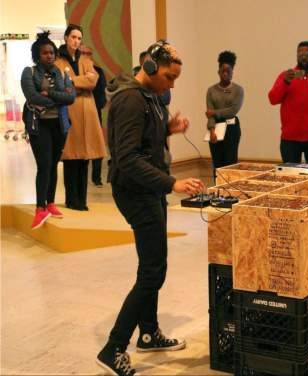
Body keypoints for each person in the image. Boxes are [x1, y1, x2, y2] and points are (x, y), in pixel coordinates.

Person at [97, 40, 204, 376]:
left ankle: (148, 332)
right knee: (153, 271)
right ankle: (114, 347)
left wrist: (168, 129)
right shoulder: (130, 100)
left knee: (152, 265)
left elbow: (145, 141)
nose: (172, 84)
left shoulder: (150, 97)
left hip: (149, 189)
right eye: (170, 77)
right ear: (152, 68)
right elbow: (127, 158)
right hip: (135, 192)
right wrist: (171, 183)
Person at [20, 31, 75, 229]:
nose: (50, 56)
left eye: (52, 52)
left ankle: (50, 203)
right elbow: (32, 97)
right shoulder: (29, 72)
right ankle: (40, 208)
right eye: (45, 53)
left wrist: (50, 94)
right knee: (44, 165)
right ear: (37, 55)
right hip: (39, 125)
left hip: (60, 125)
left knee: (53, 165)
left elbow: (71, 98)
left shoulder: (60, 72)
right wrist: (58, 98)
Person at [55, 24, 107, 211]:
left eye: (79, 38)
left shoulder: (86, 59)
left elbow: (93, 81)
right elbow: (61, 84)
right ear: (66, 37)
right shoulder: (58, 61)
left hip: (88, 113)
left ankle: (82, 201)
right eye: (73, 37)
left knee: (85, 158)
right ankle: (72, 200)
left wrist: (73, 82)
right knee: (71, 159)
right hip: (70, 112)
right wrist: (81, 81)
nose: (76, 41)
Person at [206, 50, 244, 177]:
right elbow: (209, 114)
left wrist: (214, 112)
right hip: (215, 129)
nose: (226, 74)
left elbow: (233, 110)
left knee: (230, 165)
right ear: (219, 72)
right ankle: (218, 194)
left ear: (233, 72)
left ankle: (230, 195)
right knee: (217, 165)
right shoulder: (211, 91)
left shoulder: (238, 90)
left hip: (232, 128)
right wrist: (211, 131)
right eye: (223, 71)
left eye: (229, 71)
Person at [87, 47, 108, 188]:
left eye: (88, 54)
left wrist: (94, 106)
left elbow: (103, 94)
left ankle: (96, 177)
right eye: (82, 53)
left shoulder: (98, 71)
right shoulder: (71, 70)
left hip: (94, 113)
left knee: (96, 144)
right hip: (76, 114)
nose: (85, 56)